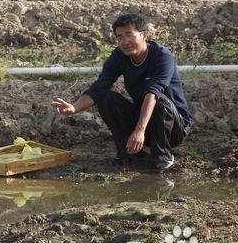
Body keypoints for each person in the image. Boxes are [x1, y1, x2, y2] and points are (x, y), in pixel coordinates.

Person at [52, 14, 194, 171]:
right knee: (106, 97)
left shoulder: (162, 56)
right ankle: (129, 153)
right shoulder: (119, 56)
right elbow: (99, 87)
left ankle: (162, 156)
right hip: (145, 122)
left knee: (158, 99)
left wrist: (139, 130)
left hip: (173, 127)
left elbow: (152, 93)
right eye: (119, 37)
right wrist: (74, 108)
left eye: (129, 35)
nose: (124, 41)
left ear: (144, 34)